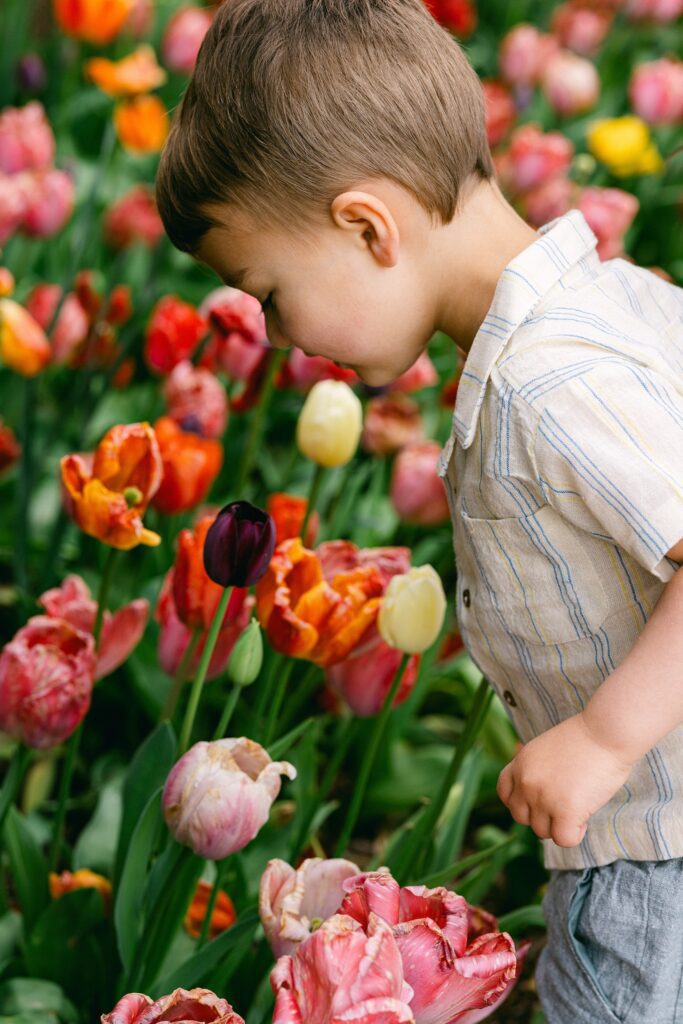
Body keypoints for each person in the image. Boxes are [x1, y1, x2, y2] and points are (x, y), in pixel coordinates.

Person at [155, 1, 683, 1019]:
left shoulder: (547, 379)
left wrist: (605, 740)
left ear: (366, 226)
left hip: (650, 860)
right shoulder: (611, 306)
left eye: (266, 290)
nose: (275, 334)